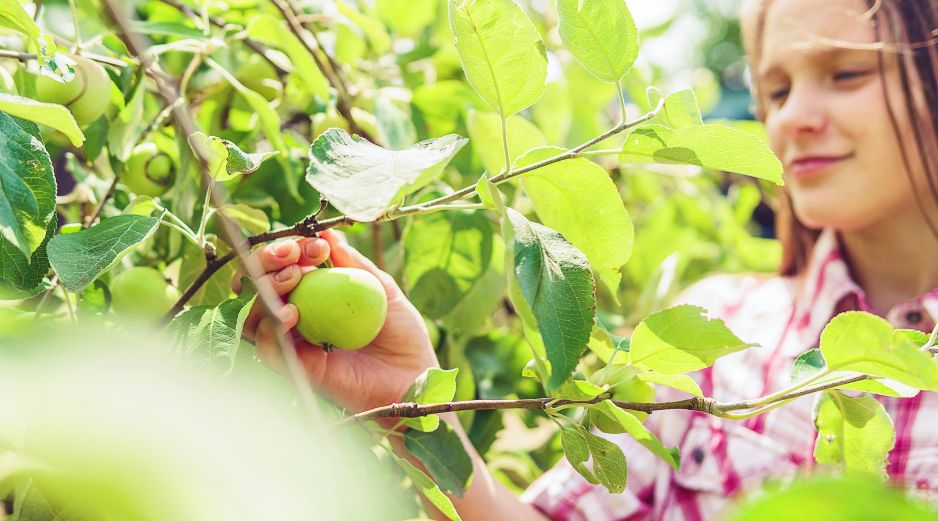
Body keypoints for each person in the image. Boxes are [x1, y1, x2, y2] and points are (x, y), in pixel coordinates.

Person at [235, 0, 938, 519]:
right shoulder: (714, 332)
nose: (793, 118)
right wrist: (413, 397)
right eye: (777, 90)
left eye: (845, 73)